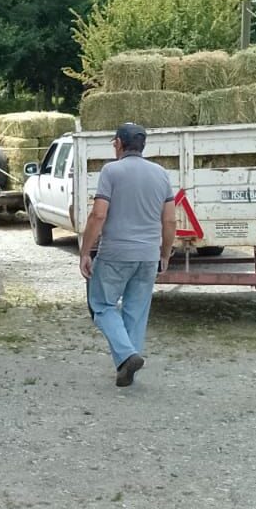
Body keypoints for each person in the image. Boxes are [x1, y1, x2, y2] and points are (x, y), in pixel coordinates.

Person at [79, 123, 176, 387]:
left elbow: (99, 214)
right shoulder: (161, 174)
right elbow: (169, 221)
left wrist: (85, 252)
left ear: (119, 144)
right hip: (148, 255)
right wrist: (165, 253)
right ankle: (126, 367)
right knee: (135, 311)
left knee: (102, 306)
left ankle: (127, 356)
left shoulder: (111, 171)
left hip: (116, 253)